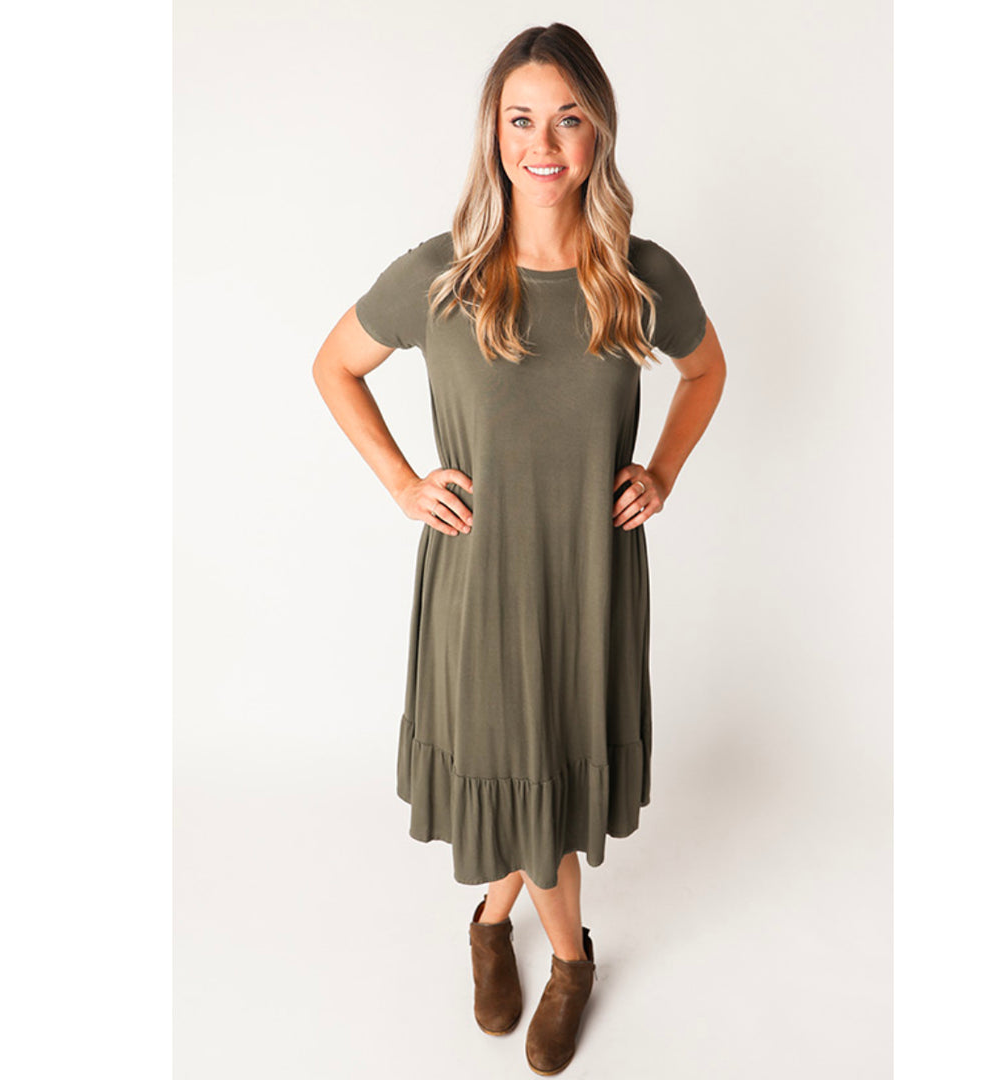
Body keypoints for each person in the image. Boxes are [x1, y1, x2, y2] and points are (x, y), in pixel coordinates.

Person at [312, 22, 726, 1076]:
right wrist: (403, 481)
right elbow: (334, 367)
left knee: (551, 772)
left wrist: (663, 470)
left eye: (568, 119)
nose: (544, 143)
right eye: (522, 119)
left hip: (590, 575)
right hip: (480, 582)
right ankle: (569, 956)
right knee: (518, 768)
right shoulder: (441, 277)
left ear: (599, 134)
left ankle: (501, 928)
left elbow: (706, 370)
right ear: (494, 134)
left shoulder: (638, 274)